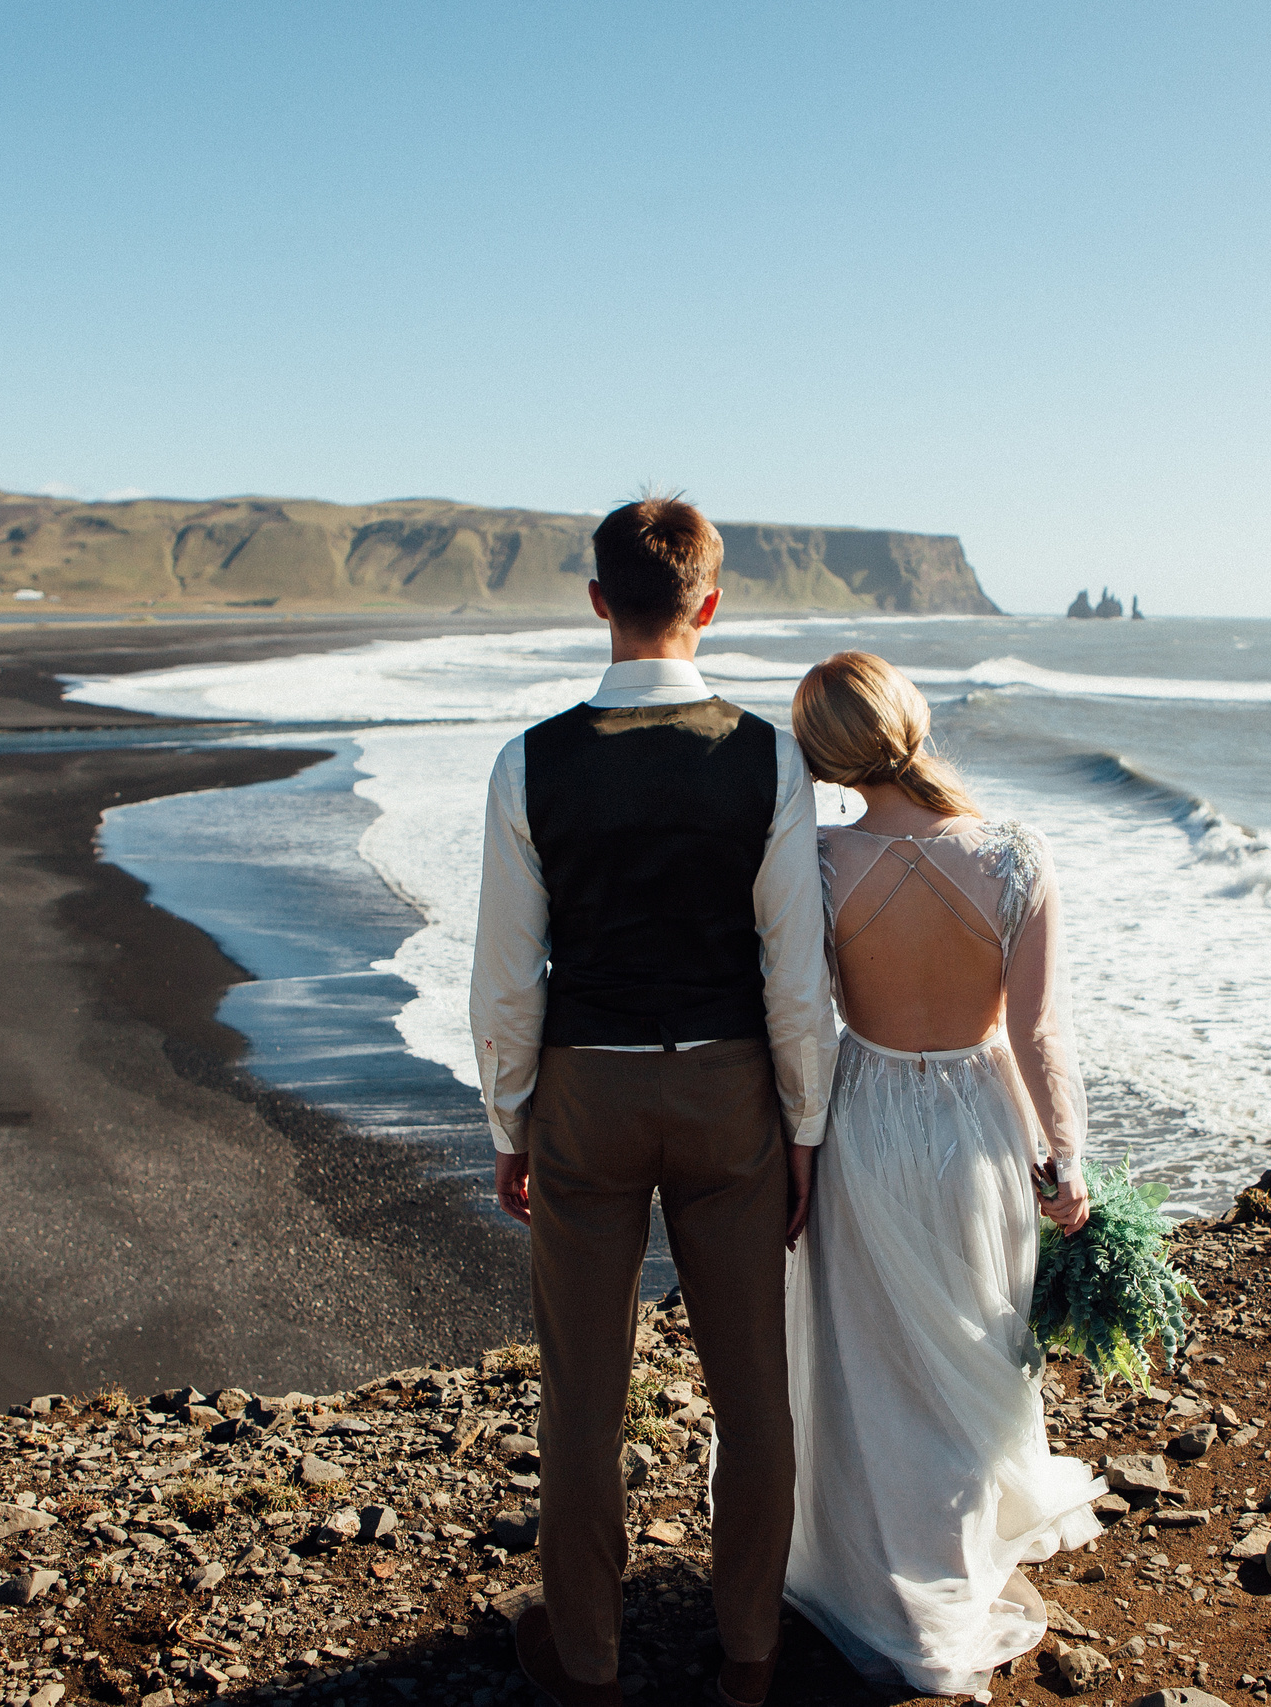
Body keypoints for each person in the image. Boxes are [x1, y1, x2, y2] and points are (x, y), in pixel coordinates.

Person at [468, 496, 836, 1707]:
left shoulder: (530, 760)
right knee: (751, 1391)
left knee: (584, 1391)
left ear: (597, 604)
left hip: (588, 1085)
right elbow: (795, 968)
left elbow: (506, 974)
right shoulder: (768, 756)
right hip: (730, 1083)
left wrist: (512, 1117)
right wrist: (804, 1126)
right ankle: (748, 1656)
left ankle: (585, 1661)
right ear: (710, 605)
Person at [782, 651, 1106, 1699]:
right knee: (978, 1346)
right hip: (979, 1121)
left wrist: (789, 1147)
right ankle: (955, 1588)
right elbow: (1040, 1028)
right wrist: (1065, 1156)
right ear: (911, 716)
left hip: (864, 1114)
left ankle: (888, 1596)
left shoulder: (812, 861)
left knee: (871, 1363)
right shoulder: (1015, 852)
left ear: (820, 755)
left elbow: (793, 1020)